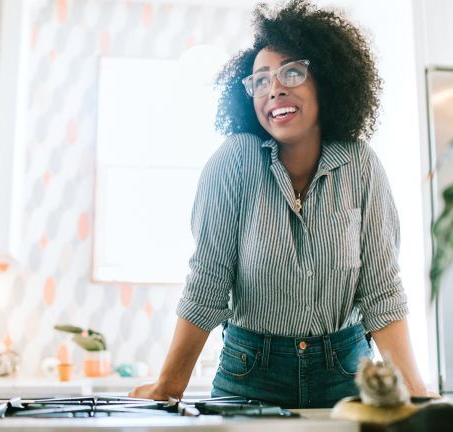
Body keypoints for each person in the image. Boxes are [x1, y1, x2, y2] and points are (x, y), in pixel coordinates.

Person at [129, 0, 429, 408]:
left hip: (348, 376)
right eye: (261, 80)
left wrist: (417, 393)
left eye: (292, 72)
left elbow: (382, 292)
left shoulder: (361, 164)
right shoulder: (235, 161)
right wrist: (168, 386)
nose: (275, 89)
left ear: (325, 79)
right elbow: (208, 282)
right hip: (251, 374)